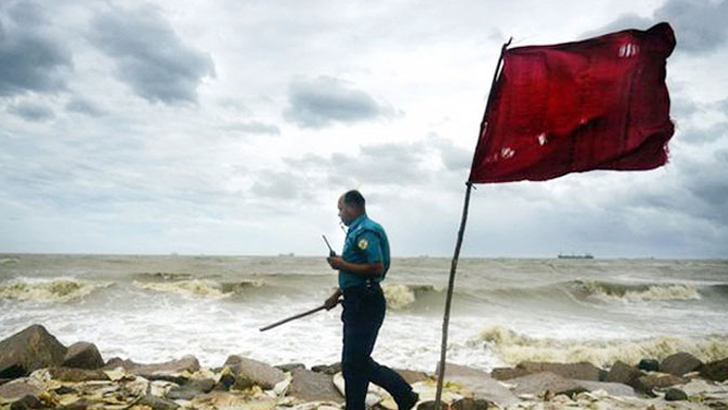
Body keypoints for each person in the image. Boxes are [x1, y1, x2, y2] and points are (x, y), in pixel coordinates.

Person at [325, 190, 419, 410]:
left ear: (353, 207)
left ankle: (404, 394)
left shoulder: (366, 231)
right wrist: (336, 294)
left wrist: (341, 264)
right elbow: (355, 275)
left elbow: (376, 267)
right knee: (353, 363)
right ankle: (357, 406)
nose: (339, 215)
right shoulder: (355, 231)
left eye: (341, 208)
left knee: (355, 362)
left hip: (366, 303)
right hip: (356, 300)